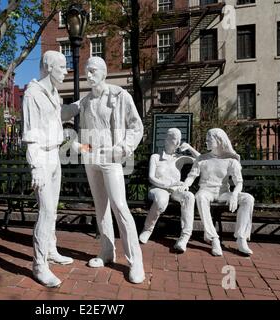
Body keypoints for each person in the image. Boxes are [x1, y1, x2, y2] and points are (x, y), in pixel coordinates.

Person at [71, 56, 145, 284]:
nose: (88, 75)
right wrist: (80, 147)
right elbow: (84, 132)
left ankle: (136, 261)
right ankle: (106, 250)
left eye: (93, 71)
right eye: (86, 71)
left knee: (120, 206)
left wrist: (121, 149)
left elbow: (136, 126)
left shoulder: (119, 96)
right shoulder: (85, 102)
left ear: (104, 73)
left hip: (111, 158)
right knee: (100, 207)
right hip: (91, 158)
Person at [22, 50, 77, 287]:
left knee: (52, 209)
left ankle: (51, 250)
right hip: (42, 158)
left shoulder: (53, 93)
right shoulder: (32, 94)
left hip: (54, 154)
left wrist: (79, 105)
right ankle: (39, 265)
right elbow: (31, 134)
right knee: (45, 212)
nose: (66, 71)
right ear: (48, 67)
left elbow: (59, 116)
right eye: (62, 67)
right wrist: (35, 167)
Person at [178, 128, 254, 256]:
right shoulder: (202, 159)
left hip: (223, 193)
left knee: (248, 198)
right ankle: (214, 239)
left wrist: (235, 194)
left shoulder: (231, 161)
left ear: (218, 141)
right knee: (200, 197)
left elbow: (239, 182)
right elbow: (192, 175)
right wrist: (186, 184)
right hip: (206, 191)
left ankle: (241, 239)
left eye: (209, 140)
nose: (206, 142)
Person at [139, 128, 200, 253]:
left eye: (179, 139)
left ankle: (184, 237)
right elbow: (151, 178)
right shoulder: (156, 157)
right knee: (161, 200)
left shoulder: (180, 158)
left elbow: (202, 160)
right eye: (174, 138)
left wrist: (189, 148)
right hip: (158, 188)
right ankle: (148, 229)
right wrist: (168, 184)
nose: (177, 142)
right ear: (166, 140)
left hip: (176, 190)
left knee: (189, 197)